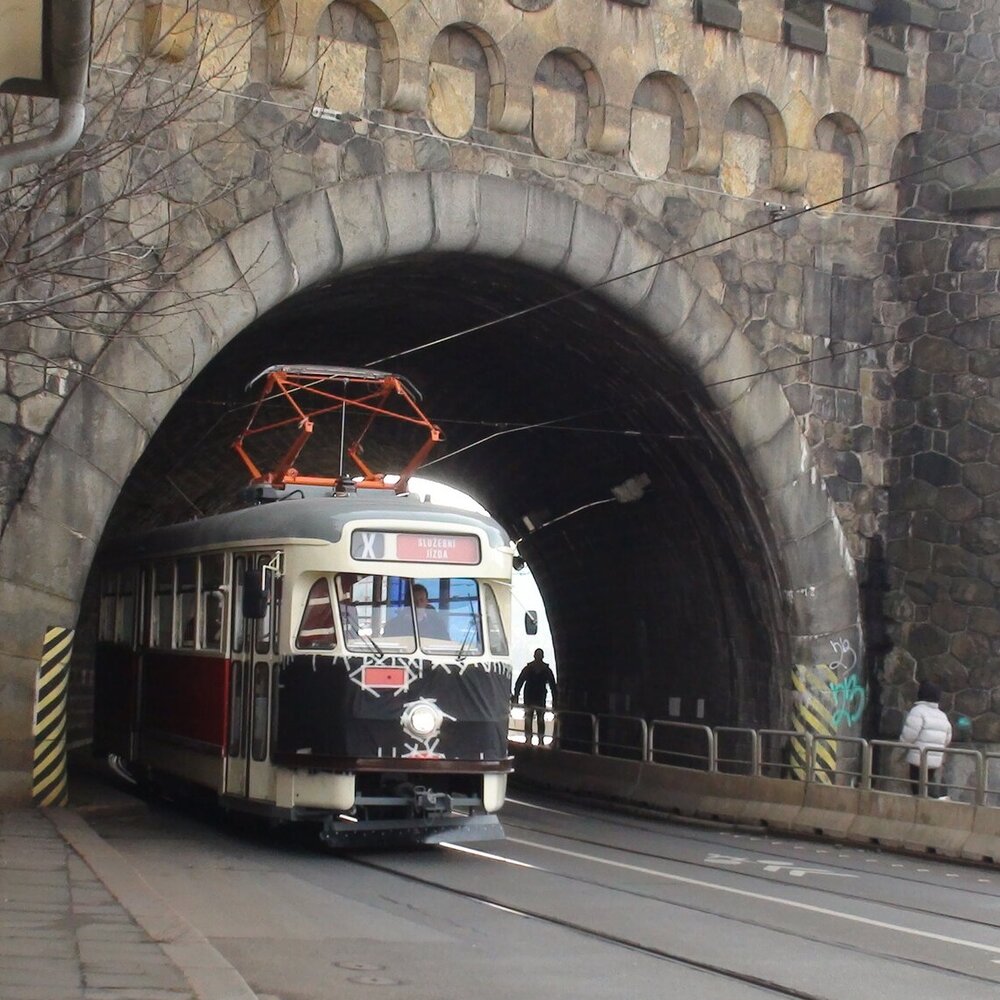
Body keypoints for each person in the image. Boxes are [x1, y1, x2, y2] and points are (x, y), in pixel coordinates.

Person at [900, 680, 952, 799]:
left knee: (917, 787)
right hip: (935, 759)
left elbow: (910, 734)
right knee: (927, 784)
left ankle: (922, 808)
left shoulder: (918, 711)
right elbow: (947, 738)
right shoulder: (942, 715)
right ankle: (933, 802)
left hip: (918, 757)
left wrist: (902, 743)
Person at [513, 648, 557, 746]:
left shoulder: (528, 668)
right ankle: (540, 740)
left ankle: (528, 739)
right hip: (540, 697)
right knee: (540, 719)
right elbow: (553, 686)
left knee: (528, 718)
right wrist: (555, 700)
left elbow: (519, 682)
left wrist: (516, 695)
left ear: (534, 656)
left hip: (529, 696)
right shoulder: (546, 670)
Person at [384, 583, 450, 640]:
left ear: (426, 602)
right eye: (414, 601)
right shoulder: (393, 625)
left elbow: (447, 646)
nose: (418, 604)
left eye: (421, 600)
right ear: (407, 602)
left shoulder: (438, 625)